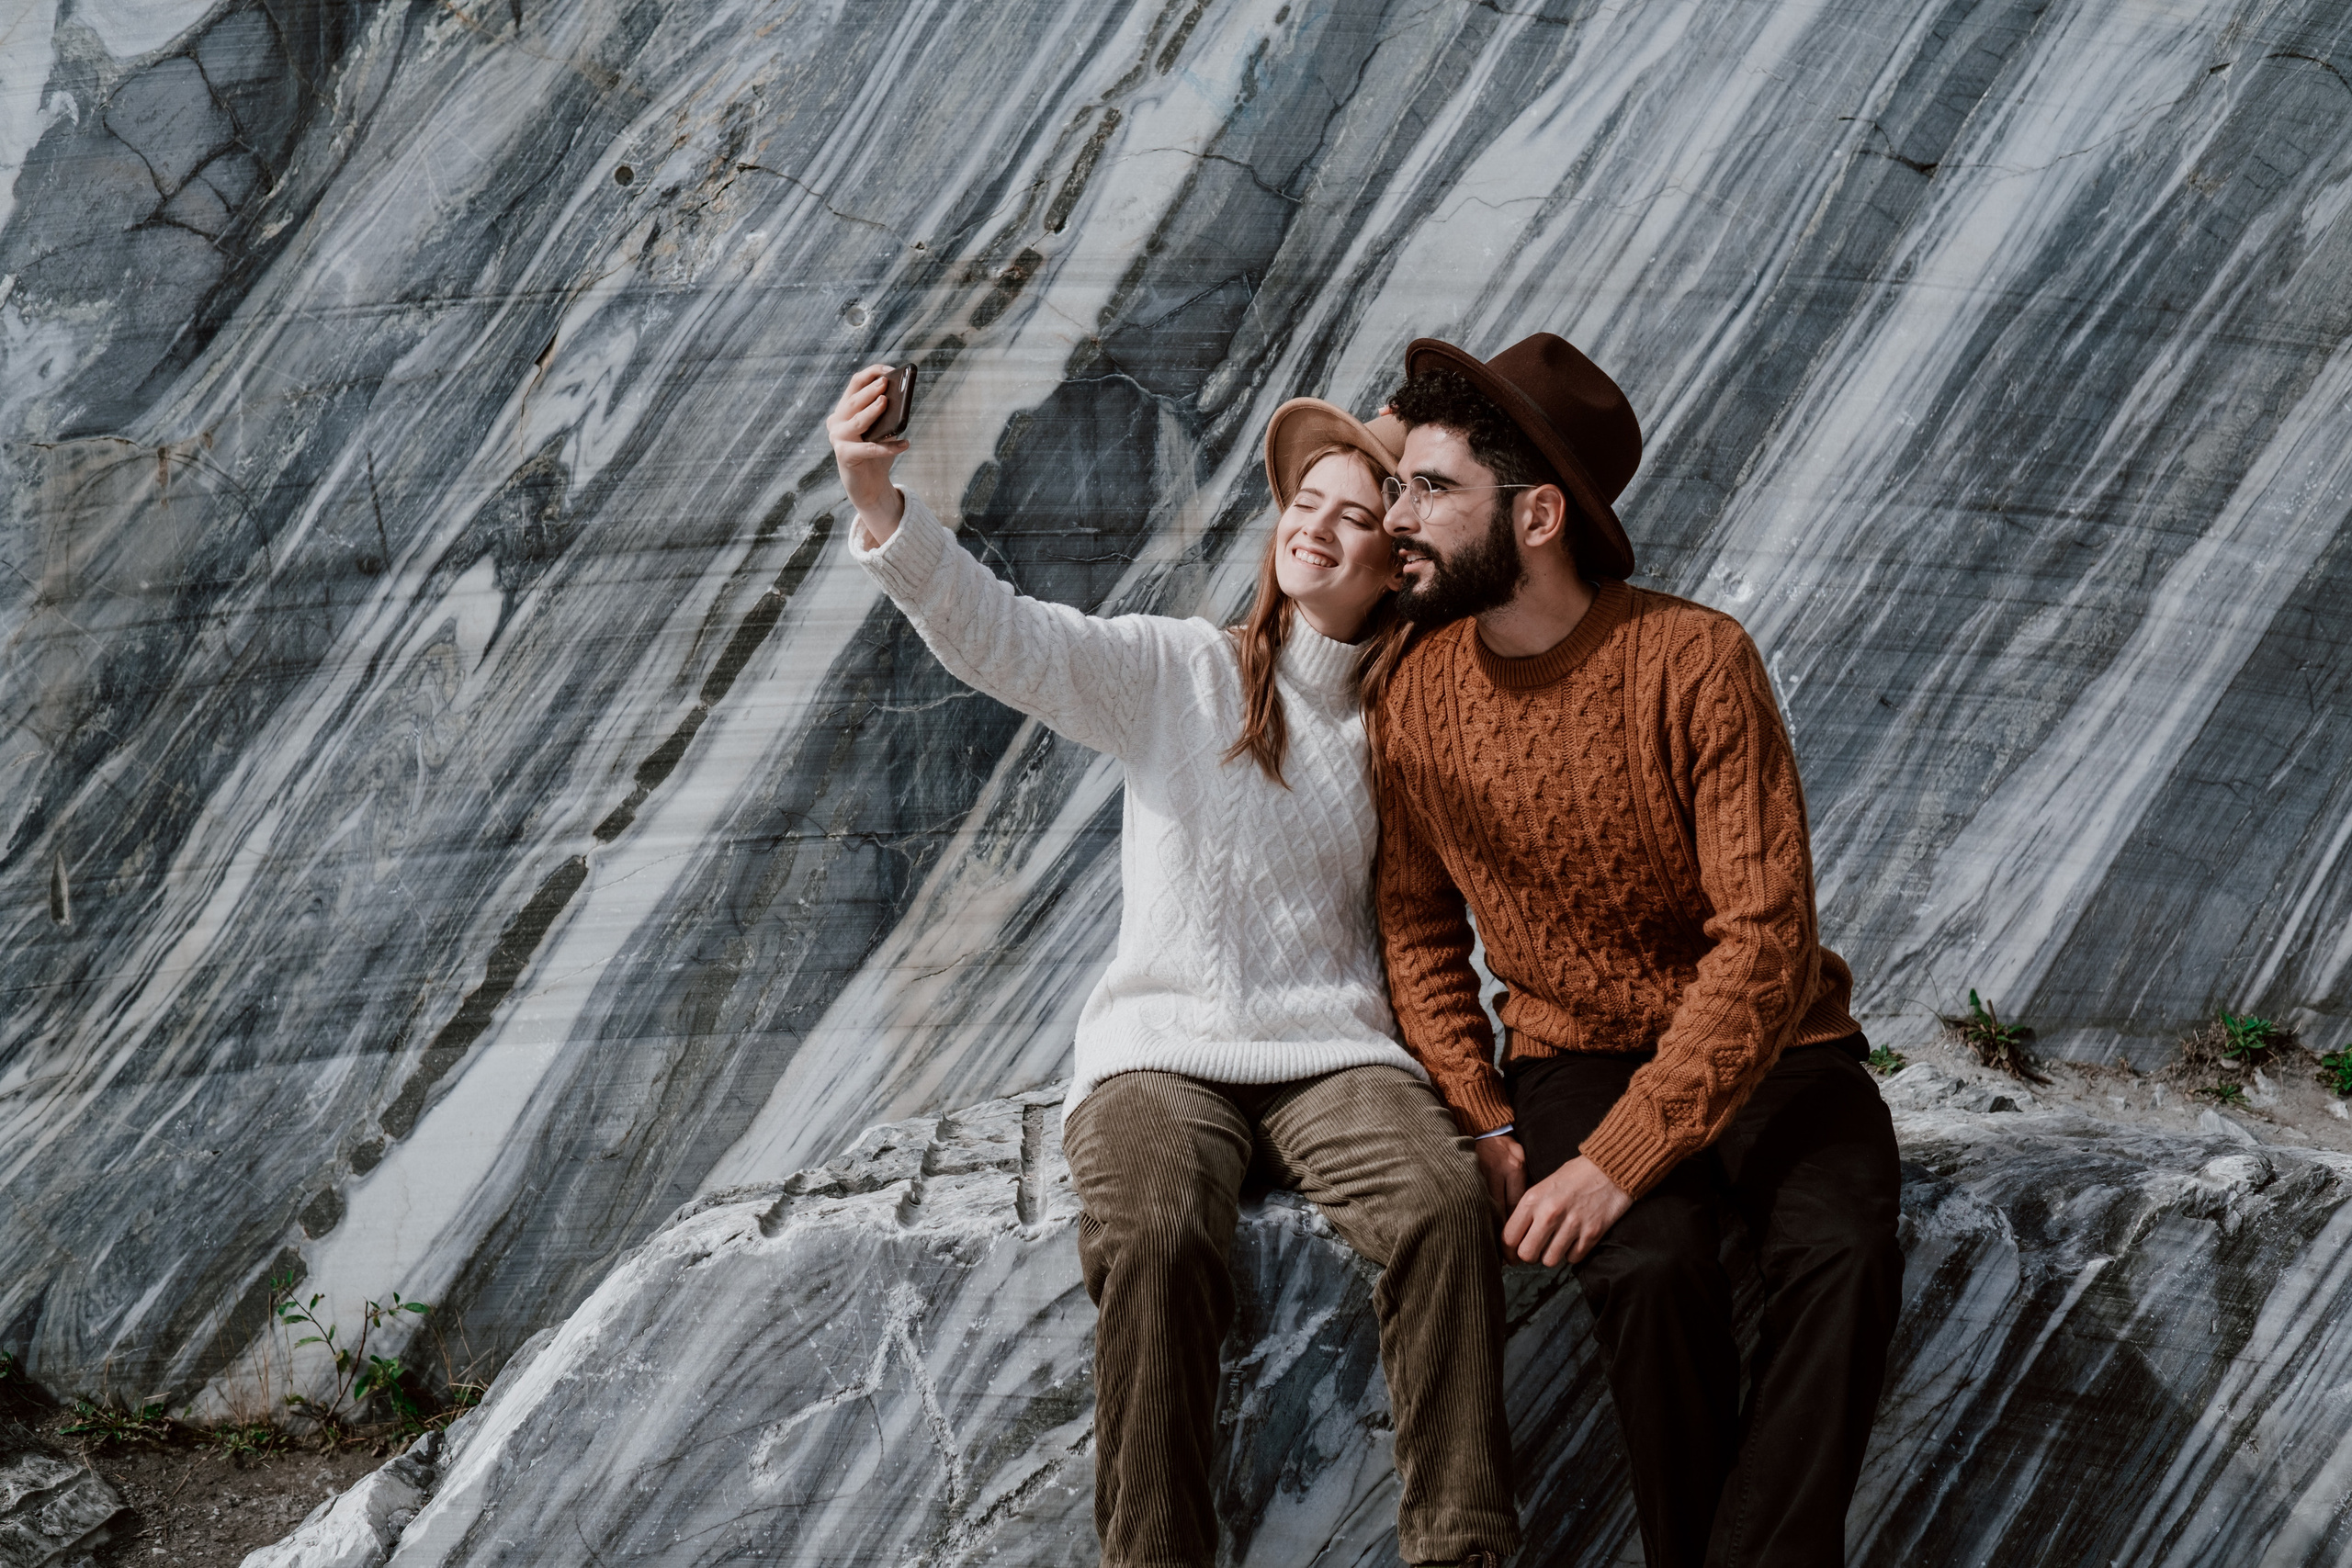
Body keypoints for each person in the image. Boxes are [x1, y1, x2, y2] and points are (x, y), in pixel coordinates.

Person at [825, 366, 1519, 1568]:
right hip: (1161, 1055)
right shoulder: (1179, 672)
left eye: (1356, 515)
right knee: (1158, 1233)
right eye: (1307, 498)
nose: (1315, 522)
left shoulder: (1402, 726)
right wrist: (877, 500)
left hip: (1331, 1058)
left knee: (1443, 1204)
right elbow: (1005, 637)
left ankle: (1459, 1549)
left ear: (1392, 566)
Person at [1368, 333, 1904, 1568]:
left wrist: (1624, 1156)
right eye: (1401, 485)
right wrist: (1486, 1114)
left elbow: (1768, 940)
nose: (1400, 515)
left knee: (1843, 1246)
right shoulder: (1414, 694)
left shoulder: (1696, 660)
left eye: (1433, 489)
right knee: (1649, 1266)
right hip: (1573, 1054)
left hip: (1778, 1047)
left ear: (1539, 513)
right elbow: (1415, 924)